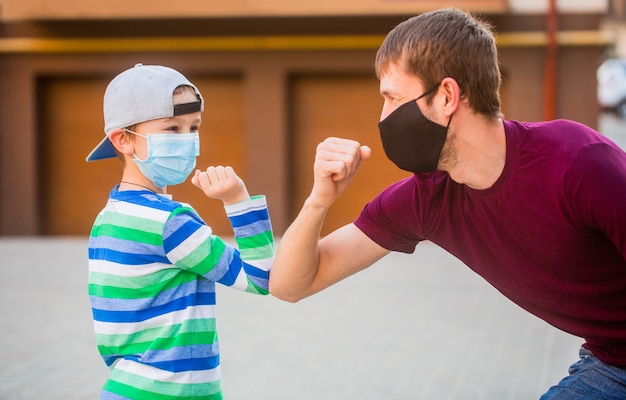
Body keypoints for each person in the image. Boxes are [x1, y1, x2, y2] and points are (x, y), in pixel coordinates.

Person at [269, 8, 626, 399]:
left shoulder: (576, 162)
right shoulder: (428, 199)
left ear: (447, 96)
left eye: (392, 98)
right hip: (612, 364)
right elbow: (290, 284)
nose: (384, 117)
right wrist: (319, 199)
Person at [86, 63, 275, 399]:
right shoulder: (170, 222)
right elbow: (260, 278)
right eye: (172, 128)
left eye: (193, 127)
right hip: (173, 391)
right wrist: (238, 200)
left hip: (125, 387)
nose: (187, 140)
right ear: (124, 140)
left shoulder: (108, 216)